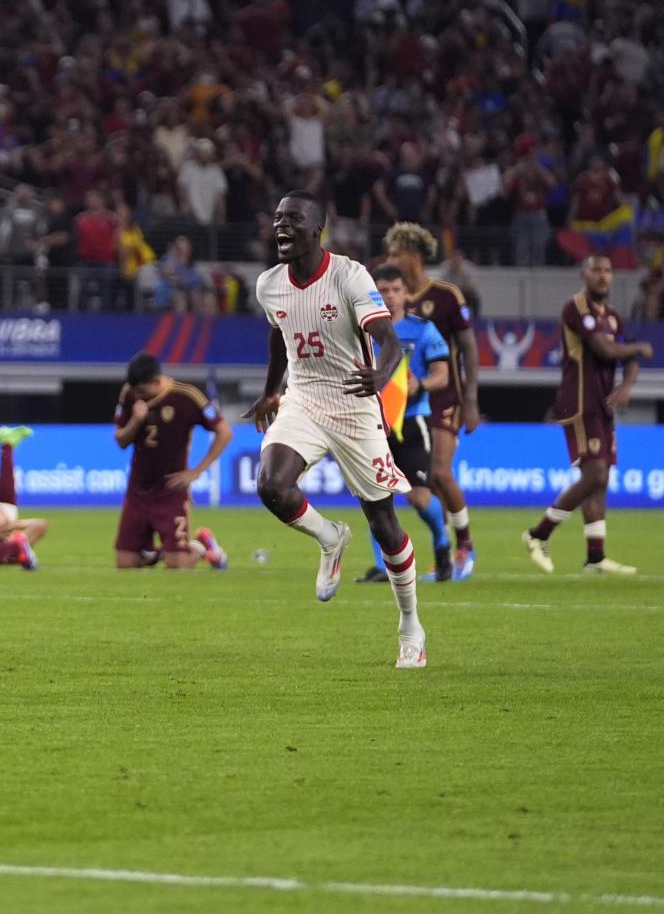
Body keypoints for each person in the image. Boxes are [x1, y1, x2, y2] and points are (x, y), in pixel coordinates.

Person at [246, 191, 428, 669]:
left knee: (384, 523)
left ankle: (411, 625)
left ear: (316, 229)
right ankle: (329, 538)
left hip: (354, 404)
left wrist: (381, 376)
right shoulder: (269, 284)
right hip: (303, 399)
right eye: (278, 218)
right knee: (270, 484)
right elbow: (277, 336)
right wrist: (271, 391)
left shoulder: (349, 276)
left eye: (293, 219)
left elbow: (388, 339)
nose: (282, 226)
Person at [524, 255, 650, 574]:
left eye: (608, 271)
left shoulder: (615, 317)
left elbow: (629, 355)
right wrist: (637, 350)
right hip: (579, 402)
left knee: (600, 478)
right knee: (595, 475)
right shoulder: (576, 308)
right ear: (584, 275)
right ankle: (538, 534)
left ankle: (595, 556)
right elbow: (607, 350)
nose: (603, 276)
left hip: (603, 406)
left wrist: (628, 384)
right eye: (596, 270)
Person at [384, 222, 480, 577]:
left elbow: (469, 347)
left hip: (444, 396)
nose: (391, 259)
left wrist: (470, 399)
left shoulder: (445, 295)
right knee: (413, 486)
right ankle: (437, 547)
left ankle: (464, 548)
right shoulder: (389, 298)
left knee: (439, 473)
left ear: (415, 255)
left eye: (396, 253)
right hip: (400, 405)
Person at [355, 267, 455, 584]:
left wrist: (420, 385)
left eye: (395, 289)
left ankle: (442, 545)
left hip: (412, 421)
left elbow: (443, 374)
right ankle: (383, 566)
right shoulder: (362, 332)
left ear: (406, 293)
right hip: (372, 423)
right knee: (375, 496)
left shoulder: (423, 331)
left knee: (418, 498)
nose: (388, 296)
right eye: (381, 290)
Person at [112, 352, 231, 569]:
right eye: (135, 391)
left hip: (170, 490)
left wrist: (196, 471)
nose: (138, 395)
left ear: (157, 381)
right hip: (138, 489)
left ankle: (202, 547)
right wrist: (136, 420)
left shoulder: (187, 396)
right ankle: (163, 553)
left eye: (142, 391)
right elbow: (120, 440)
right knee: (125, 563)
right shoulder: (129, 393)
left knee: (178, 564)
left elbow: (224, 432)